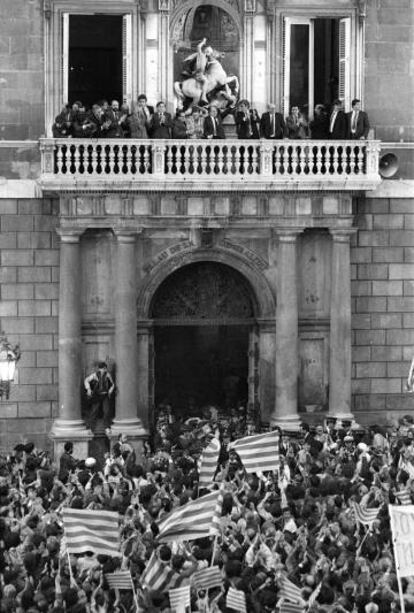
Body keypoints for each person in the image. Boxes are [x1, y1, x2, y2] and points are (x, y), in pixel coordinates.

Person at [182, 37, 214, 105]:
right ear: (205, 51)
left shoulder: (206, 59)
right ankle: (203, 96)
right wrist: (203, 42)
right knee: (206, 81)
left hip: (201, 73)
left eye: (209, 52)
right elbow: (198, 46)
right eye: (208, 51)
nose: (208, 53)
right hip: (198, 74)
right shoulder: (201, 55)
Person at [84, 361, 115, 428]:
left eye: (105, 368)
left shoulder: (108, 375)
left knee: (106, 411)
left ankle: (107, 427)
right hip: (97, 395)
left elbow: (112, 384)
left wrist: (110, 391)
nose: (103, 370)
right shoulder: (94, 375)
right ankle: (90, 427)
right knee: (94, 411)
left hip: (105, 395)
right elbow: (86, 380)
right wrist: (88, 389)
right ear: (99, 369)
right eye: (102, 369)